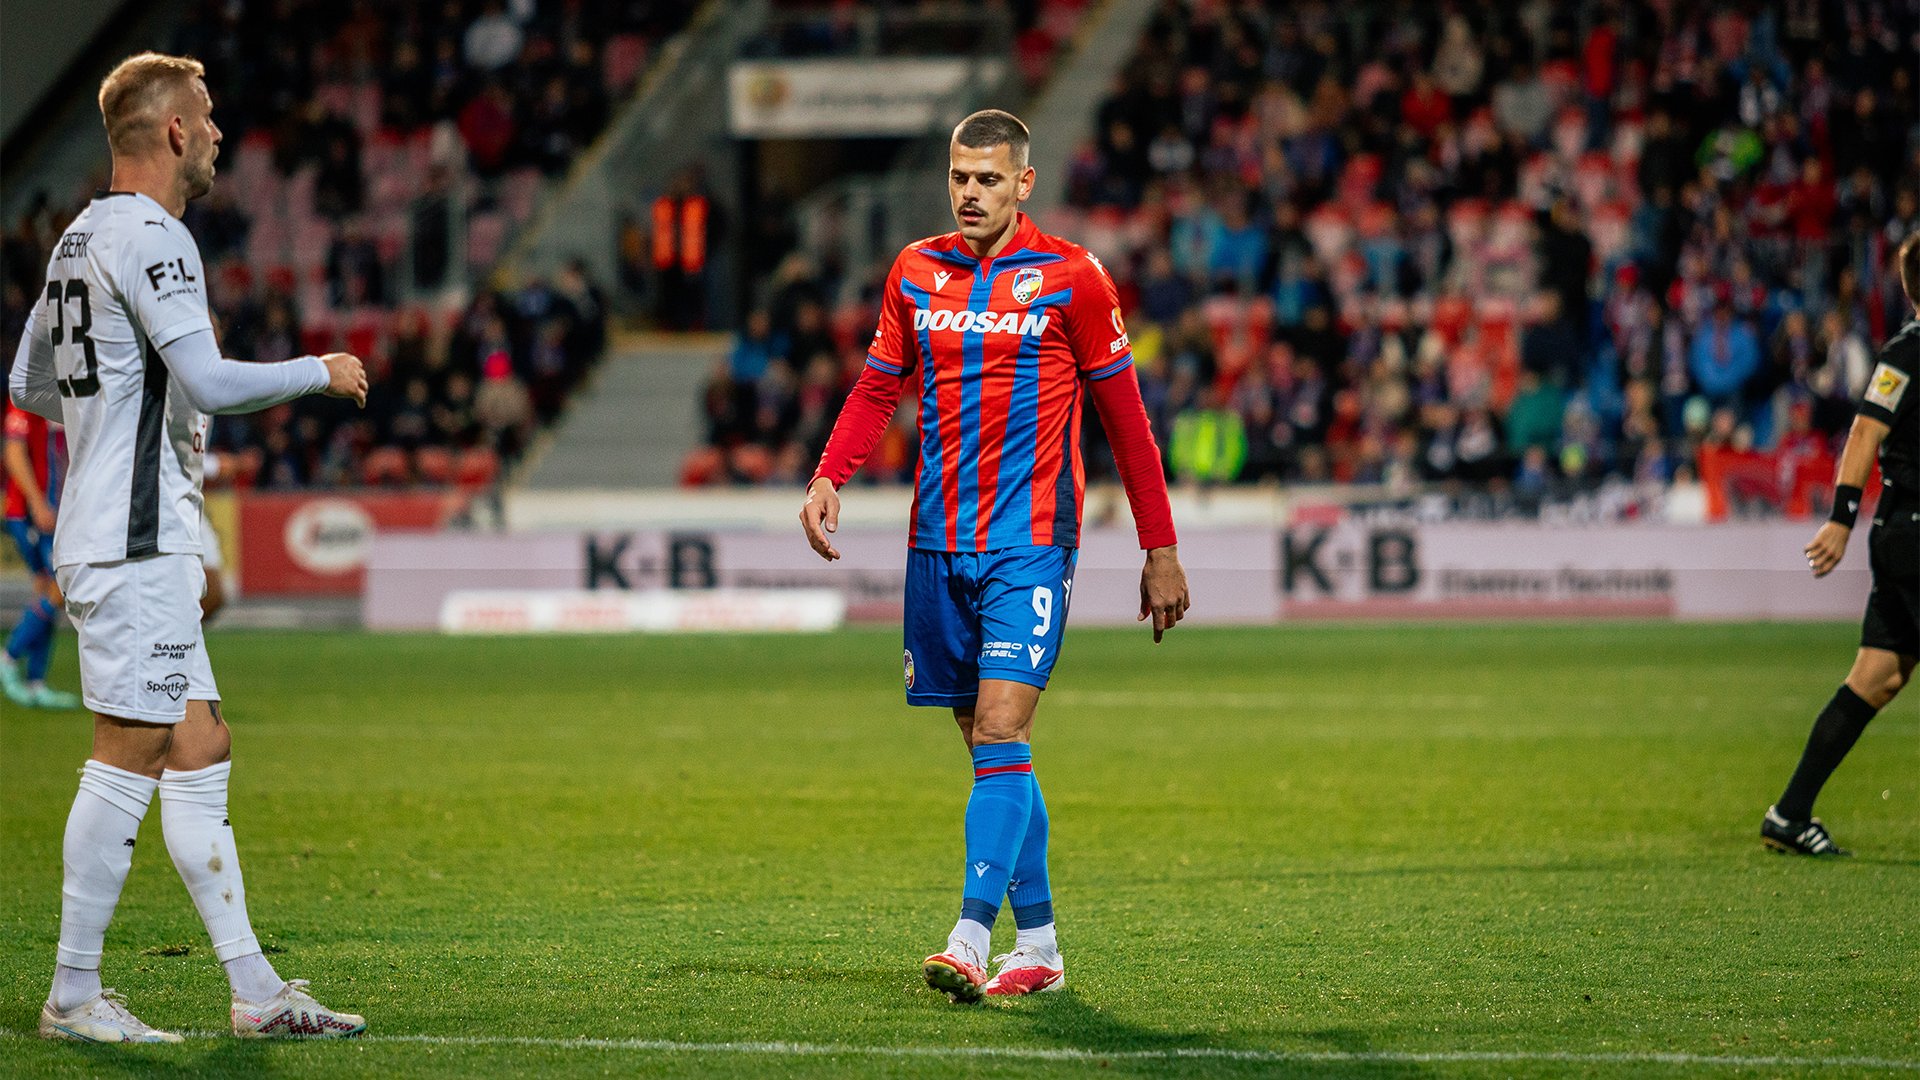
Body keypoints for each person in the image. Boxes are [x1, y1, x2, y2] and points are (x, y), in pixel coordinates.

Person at [9, 52, 369, 1043]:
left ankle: (255, 992)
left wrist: (118, 410)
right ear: (172, 132)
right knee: (129, 748)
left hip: (118, 529)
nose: (216, 134)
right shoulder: (160, 239)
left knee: (198, 740)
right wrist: (317, 371)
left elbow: (28, 384)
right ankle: (74, 996)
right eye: (206, 118)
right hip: (132, 540)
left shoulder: (76, 239)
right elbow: (207, 382)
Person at [799, 110, 1190, 1003]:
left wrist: (1159, 550)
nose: (970, 193)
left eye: (987, 179)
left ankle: (971, 937)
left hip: (1029, 545)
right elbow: (877, 385)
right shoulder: (915, 271)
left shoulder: (1074, 279)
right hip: (936, 544)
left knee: (1005, 730)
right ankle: (1041, 945)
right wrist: (829, 474)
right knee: (987, 746)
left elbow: (1128, 427)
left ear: (1024, 183)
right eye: (958, 177)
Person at [1765, 234, 1920, 856]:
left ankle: (1789, 812)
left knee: (1876, 678)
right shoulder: (1908, 353)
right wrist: (1840, 517)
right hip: (1912, 532)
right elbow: (1862, 432)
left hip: (1904, 538)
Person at [3, 401, 81, 708]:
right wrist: (36, 502)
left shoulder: (62, 396)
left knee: (45, 589)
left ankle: (36, 683)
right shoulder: (26, 396)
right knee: (58, 588)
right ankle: (8, 656)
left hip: (53, 511)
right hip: (29, 513)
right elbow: (13, 452)